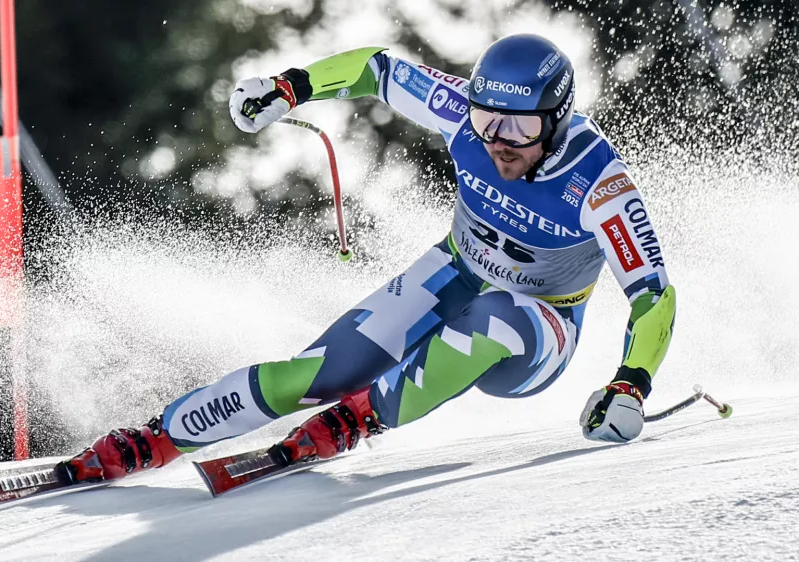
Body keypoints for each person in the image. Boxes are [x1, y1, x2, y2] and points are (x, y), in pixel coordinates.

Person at [60, 34, 675, 482]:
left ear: (557, 120)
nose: (496, 144)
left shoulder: (599, 185)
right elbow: (376, 69)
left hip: (540, 327)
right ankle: (153, 438)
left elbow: (654, 295)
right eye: (487, 121)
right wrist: (289, 88)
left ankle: (363, 416)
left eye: (517, 131)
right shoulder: (463, 115)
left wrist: (631, 384)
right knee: (315, 374)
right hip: (456, 270)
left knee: (492, 320)